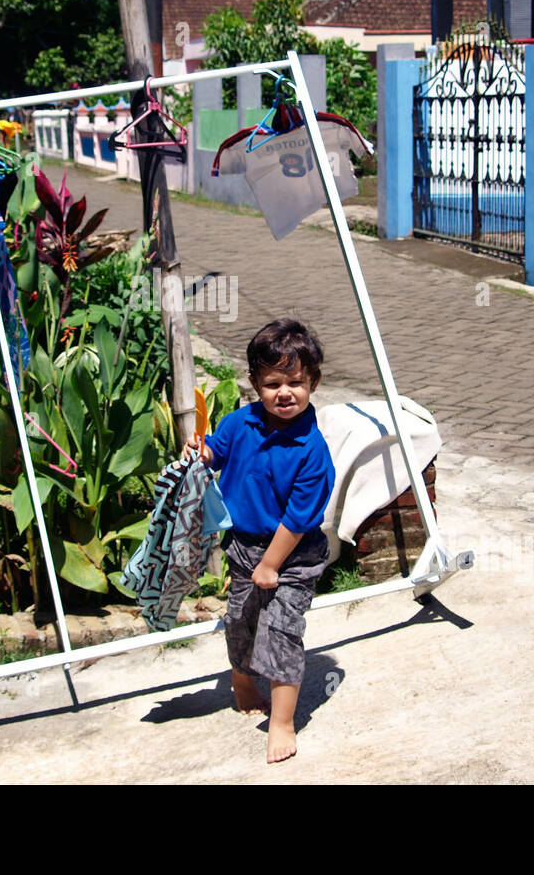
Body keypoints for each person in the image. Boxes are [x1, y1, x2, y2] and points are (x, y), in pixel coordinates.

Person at [188, 318, 334, 763]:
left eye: (295, 382)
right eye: (273, 384)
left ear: (314, 382)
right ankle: (243, 680)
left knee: (282, 633)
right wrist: (201, 454)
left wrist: (271, 565)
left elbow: (297, 519)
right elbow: (216, 451)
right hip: (243, 546)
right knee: (241, 620)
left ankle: (283, 722)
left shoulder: (312, 451)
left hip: (292, 554)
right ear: (255, 384)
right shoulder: (240, 423)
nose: (284, 393)